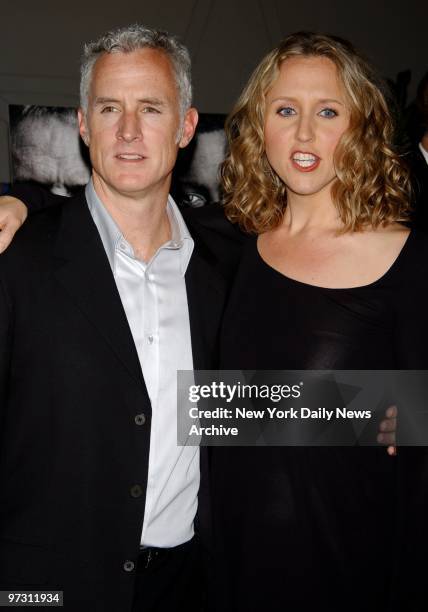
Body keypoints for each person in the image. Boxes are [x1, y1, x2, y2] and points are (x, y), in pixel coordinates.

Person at [0, 24, 241, 612]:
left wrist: (383, 415)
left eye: (151, 108)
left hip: (190, 584)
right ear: (83, 124)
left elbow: (250, 408)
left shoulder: (228, 263)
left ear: (186, 126)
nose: (129, 131)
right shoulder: (17, 260)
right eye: (109, 108)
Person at [208, 32, 428, 611]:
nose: (304, 134)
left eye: (327, 111)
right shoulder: (228, 246)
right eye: (286, 110)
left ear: (359, 126)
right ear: (261, 126)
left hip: (344, 565)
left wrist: (404, 416)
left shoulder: (410, 261)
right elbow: (215, 410)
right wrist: (21, 207)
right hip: (223, 558)